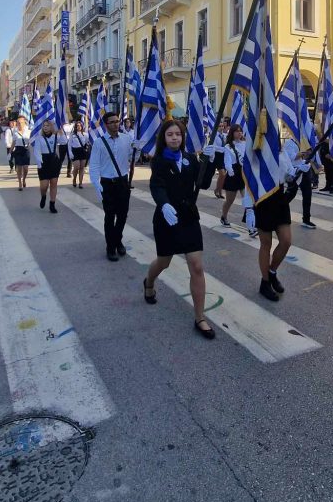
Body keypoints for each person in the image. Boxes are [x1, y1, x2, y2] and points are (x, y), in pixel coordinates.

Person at [143, 119, 215, 340]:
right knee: (164, 262)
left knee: (197, 266)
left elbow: (202, 184)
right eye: (170, 134)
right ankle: (149, 282)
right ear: (164, 138)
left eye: (178, 134)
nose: (175, 138)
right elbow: (156, 185)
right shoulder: (159, 161)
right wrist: (163, 204)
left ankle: (200, 317)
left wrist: (210, 162)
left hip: (188, 218)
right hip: (167, 219)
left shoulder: (191, 159)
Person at [249, 143, 306, 302]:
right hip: (263, 197)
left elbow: (289, 175)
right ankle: (265, 282)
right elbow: (250, 174)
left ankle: (272, 272)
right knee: (265, 244)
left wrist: (299, 170)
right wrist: (249, 205)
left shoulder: (282, 152)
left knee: (286, 241)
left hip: (280, 198)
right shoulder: (257, 152)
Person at [89, 111, 134, 261]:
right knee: (110, 216)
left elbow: (132, 158)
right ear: (106, 125)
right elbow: (94, 165)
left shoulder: (126, 139)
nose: (116, 124)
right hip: (107, 183)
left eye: (117, 121)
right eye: (112, 122)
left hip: (122, 182)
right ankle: (110, 247)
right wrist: (96, 184)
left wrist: (138, 149)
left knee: (122, 215)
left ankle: (117, 239)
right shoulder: (99, 142)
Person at [33, 119, 66, 213]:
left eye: (47, 125)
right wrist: (40, 163)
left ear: (51, 127)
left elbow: (64, 142)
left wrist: (61, 132)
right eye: (44, 126)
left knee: (54, 183)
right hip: (44, 161)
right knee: (44, 186)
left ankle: (52, 204)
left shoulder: (55, 136)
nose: (45, 127)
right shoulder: (39, 138)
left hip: (54, 161)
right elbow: (37, 151)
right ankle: (43, 196)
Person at [218, 124, 246, 227]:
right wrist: (229, 169)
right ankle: (224, 216)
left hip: (243, 173)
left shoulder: (245, 144)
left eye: (241, 131)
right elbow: (227, 161)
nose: (239, 133)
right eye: (237, 131)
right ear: (232, 133)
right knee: (230, 200)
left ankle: (251, 226)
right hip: (233, 174)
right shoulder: (228, 146)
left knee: (248, 200)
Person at [10, 116, 31, 191]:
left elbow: (32, 141)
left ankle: (24, 179)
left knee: (25, 168)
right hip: (18, 150)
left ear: (24, 123)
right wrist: (10, 153)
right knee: (19, 168)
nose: (20, 124)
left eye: (21, 123)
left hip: (26, 150)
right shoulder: (15, 133)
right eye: (18, 123)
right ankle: (20, 183)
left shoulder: (29, 132)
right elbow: (13, 143)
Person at [211, 117, 230, 198]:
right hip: (217, 155)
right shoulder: (214, 136)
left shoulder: (224, 135)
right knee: (222, 173)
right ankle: (217, 190)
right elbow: (214, 147)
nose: (221, 127)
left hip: (224, 156)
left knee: (223, 175)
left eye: (222, 126)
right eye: (219, 126)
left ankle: (219, 190)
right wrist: (224, 149)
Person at [69, 120, 89, 188]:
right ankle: (74, 179)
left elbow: (86, 143)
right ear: (75, 127)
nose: (79, 127)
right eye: (77, 126)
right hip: (75, 151)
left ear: (82, 126)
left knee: (82, 168)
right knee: (76, 167)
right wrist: (70, 153)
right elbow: (69, 145)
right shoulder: (72, 135)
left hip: (82, 152)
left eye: (80, 125)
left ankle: (80, 183)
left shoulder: (85, 134)